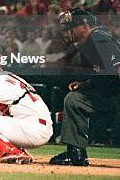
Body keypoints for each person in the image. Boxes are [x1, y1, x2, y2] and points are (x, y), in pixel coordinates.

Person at [49, 9, 120, 166]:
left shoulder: (98, 37)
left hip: (115, 95)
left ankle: (76, 153)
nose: (70, 30)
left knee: (74, 100)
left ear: (85, 24)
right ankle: (76, 152)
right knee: (75, 100)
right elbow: (105, 74)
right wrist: (85, 85)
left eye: (73, 26)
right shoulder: (90, 42)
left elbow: (117, 67)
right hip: (109, 94)